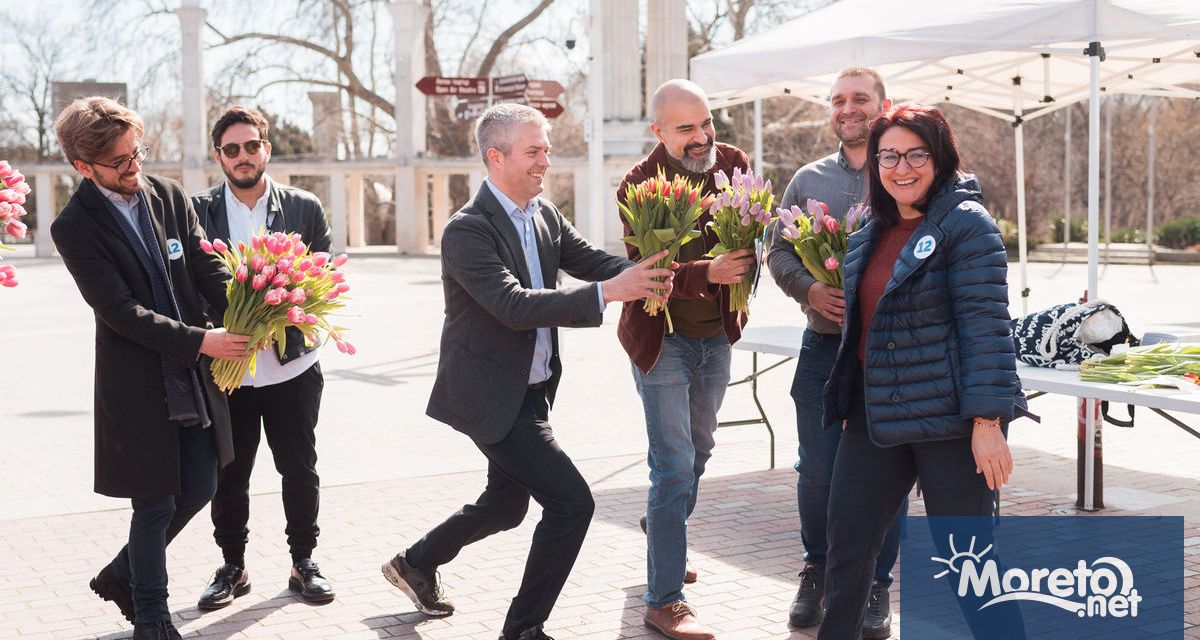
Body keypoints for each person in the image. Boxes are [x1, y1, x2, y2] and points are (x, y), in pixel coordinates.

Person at [379, 102, 674, 640]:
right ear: (496, 157)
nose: (546, 160)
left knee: (506, 504)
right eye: (534, 150)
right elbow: (512, 306)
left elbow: (593, 261)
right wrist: (611, 293)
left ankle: (415, 563)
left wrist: (646, 271)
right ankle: (523, 629)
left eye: (547, 148)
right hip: (491, 396)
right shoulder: (466, 231)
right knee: (572, 503)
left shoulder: (543, 213)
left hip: (533, 389)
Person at [818, 103, 1028, 639]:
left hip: (950, 424)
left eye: (916, 154)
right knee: (846, 559)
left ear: (940, 159)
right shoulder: (868, 228)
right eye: (889, 155)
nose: (901, 167)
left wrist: (988, 423)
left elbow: (985, 324)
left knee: (970, 569)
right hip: (873, 420)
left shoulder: (966, 224)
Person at [51, 97, 248, 640]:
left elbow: (206, 268)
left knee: (202, 484)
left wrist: (251, 307)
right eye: (119, 162)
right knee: (155, 500)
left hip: (193, 373)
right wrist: (201, 341)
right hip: (138, 382)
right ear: (83, 167)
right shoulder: (74, 227)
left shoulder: (166, 194)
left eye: (137, 152)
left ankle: (120, 573)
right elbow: (118, 311)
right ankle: (152, 616)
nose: (134, 166)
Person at [766, 67, 904, 637]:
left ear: (883, 105)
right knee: (817, 471)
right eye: (839, 100)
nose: (849, 109)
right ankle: (817, 569)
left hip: (890, 354)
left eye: (861, 99)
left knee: (888, 473)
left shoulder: (906, 171)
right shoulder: (808, 178)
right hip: (823, 348)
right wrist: (809, 288)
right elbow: (777, 252)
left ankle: (876, 586)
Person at [617, 79, 756, 640]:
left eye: (706, 124)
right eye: (686, 129)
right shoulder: (638, 184)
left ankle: (663, 531)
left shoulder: (732, 163)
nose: (702, 138)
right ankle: (664, 599)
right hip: (662, 343)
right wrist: (708, 274)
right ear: (658, 132)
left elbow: (749, 229)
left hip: (715, 338)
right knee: (672, 465)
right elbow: (643, 270)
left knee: (699, 450)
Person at [191, 106, 336, 608]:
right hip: (227, 371)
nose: (243, 156)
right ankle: (232, 566)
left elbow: (321, 280)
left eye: (252, 146)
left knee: (299, 467)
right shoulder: (197, 212)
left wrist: (277, 318)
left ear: (266, 149)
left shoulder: (303, 207)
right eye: (232, 149)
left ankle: (304, 562)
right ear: (219, 157)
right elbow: (188, 286)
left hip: (292, 366)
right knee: (229, 472)